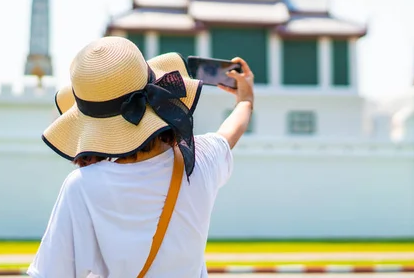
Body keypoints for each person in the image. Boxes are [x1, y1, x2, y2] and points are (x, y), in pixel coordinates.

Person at [27, 36, 254, 278]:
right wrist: (246, 99)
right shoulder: (200, 159)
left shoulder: (82, 187)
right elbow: (229, 133)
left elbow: (50, 272)